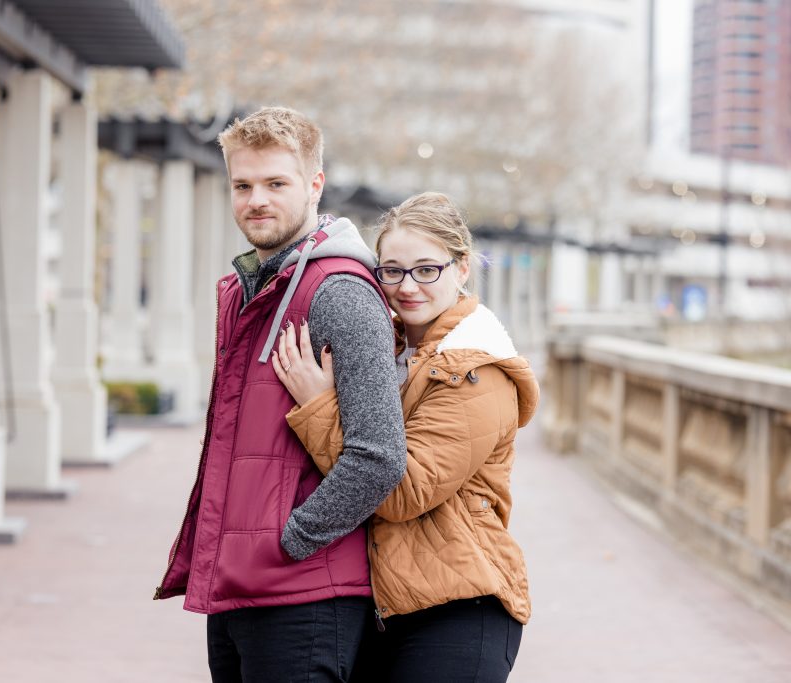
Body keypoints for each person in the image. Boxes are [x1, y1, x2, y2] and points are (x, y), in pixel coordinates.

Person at [154, 106, 408, 683]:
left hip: (304, 599)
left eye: (275, 183)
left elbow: (379, 455)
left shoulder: (339, 292)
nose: (255, 200)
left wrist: (289, 541)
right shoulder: (251, 289)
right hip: (239, 589)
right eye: (242, 185)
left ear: (314, 185)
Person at [273, 192, 539, 682]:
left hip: (460, 607)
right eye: (391, 271)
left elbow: (400, 489)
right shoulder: (386, 348)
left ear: (461, 268)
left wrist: (318, 408)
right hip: (388, 607)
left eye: (426, 270)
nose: (407, 286)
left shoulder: (476, 370)